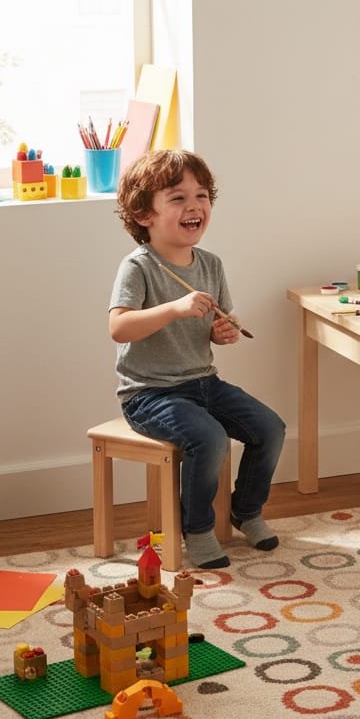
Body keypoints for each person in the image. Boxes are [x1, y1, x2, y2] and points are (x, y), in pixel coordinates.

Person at [109, 149, 285, 569]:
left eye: (201, 196)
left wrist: (222, 332)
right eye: (178, 198)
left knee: (270, 428)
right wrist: (174, 308)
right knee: (210, 438)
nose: (194, 206)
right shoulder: (139, 267)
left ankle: (246, 511)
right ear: (143, 215)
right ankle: (198, 528)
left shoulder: (211, 265)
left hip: (204, 383)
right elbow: (119, 327)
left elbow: (219, 322)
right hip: (150, 394)